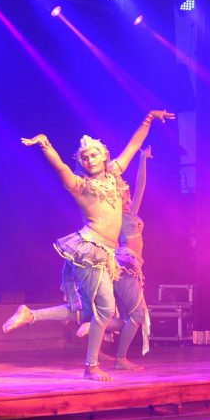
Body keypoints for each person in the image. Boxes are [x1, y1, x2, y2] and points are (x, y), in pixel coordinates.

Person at [2, 110, 174, 381]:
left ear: (104, 156)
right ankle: (90, 366)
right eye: (84, 157)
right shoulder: (81, 186)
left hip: (107, 253)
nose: (89, 159)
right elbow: (61, 168)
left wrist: (148, 120)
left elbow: (133, 147)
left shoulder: (114, 175)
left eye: (94, 155)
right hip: (90, 249)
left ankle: (32, 317)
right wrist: (46, 145)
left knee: (92, 311)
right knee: (102, 308)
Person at [76, 146, 154, 369]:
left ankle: (98, 333)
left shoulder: (131, 211)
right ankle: (119, 358)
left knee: (131, 317)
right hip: (124, 264)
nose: (127, 195)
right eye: (122, 193)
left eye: (126, 192)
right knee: (138, 315)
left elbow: (141, 186)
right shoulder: (115, 214)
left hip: (132, 266)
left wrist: (143, 159)